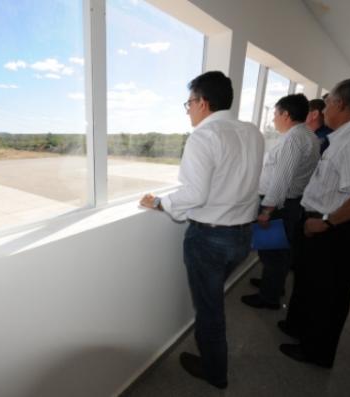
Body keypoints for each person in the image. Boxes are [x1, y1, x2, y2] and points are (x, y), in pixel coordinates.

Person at [139, 71, 264, 389]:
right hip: (243, 236)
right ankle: (213, 360)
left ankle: (215, 372)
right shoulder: (252, 132)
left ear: (203, 102)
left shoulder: (204, 137)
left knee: (210, 309)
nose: (188, 109)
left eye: (189, 102)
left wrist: (159, 203)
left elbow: (194, 194)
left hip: (210, 238)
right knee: (214, 300)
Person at [279, 78, 350, 368]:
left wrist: (329, 221)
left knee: (328, 293)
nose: (322, 108)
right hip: (337, 224)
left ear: (340, 103)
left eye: (328, 101)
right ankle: (299, 329)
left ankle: (316, 351)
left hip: (337, 229)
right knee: (311, 282)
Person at [241, 94, 320, 309]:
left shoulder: (293, 139)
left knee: (273, 252)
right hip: (291, 203)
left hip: (279, 206)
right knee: (280, 250)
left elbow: (281, 178)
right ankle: (273, 284)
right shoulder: (308, 134)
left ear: (286, 114)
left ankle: (269, 297)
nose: (273, 118)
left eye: (275, 114)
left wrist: (267, 210)